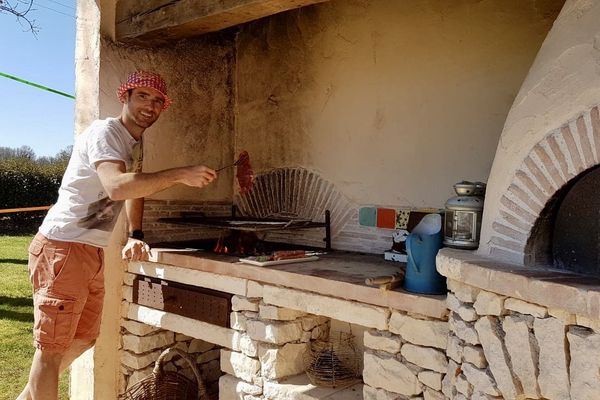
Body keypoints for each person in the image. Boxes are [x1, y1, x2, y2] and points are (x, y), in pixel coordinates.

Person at [17, 71, 217, 400]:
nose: (149, 106)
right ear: (126, 97)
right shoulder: (106, 132)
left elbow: (133, 191)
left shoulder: (132, 145)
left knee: (83, 338)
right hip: (62, 248)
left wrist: (135, 234)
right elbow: (115, 185)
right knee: (51, 349)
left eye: (157, 101)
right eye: (142, 96)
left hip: (89, 252)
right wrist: (181, 173)